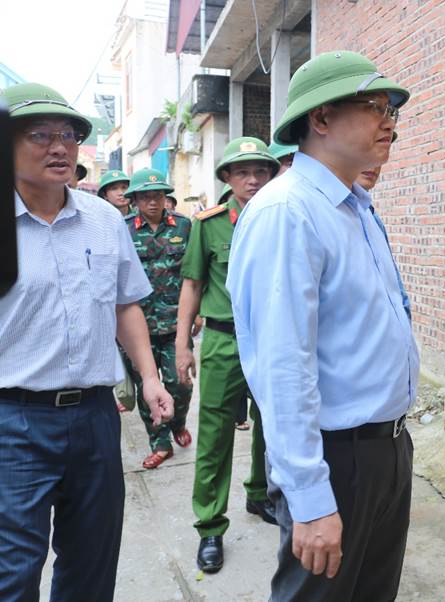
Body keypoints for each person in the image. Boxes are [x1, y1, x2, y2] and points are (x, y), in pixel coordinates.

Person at [228, 50, 419, 601]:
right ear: (321, 118)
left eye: (391, 110)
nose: (389, 122)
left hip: (385, 448)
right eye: (375, 106)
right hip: (335, 456)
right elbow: (283, 367)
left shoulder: (354, 206)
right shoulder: (288, 211)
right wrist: (311, 500)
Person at [0, 82, 174, 601]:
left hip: (96, 419)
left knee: (92, 564)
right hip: (15, 423)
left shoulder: (103, 220)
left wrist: (149, 377)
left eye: (69, 136)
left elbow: (124, 303)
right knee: (13, 573)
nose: (59, 147)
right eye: (40, 135)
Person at [175, 136, 280, 573]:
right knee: (215, 434)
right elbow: (193, 283)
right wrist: (182, 344)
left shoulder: (283, 217)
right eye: (242, 172)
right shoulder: (210, 224)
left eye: (260, 171)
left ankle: (261, 494)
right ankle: (210, 525)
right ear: (228, 178)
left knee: (271, 425)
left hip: (273, 339)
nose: (252, 179)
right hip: (223, 340)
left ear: (272, 175)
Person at [123, 168, 194, 469]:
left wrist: (196, 314)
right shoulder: (124, 229)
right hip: (137, 327)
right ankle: (160, 442)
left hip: (176, 323)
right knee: (146, 387)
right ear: (135, 200)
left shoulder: (184, 225)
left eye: (158, 196)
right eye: (146, 197)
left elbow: (194, 273)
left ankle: (177, 421)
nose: (153, 202)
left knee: (181, 383)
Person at [356, 164, 411, 321]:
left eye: (379, 157)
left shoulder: (373, 217)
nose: (373, 165)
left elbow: (396, 289)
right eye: (364, 153)